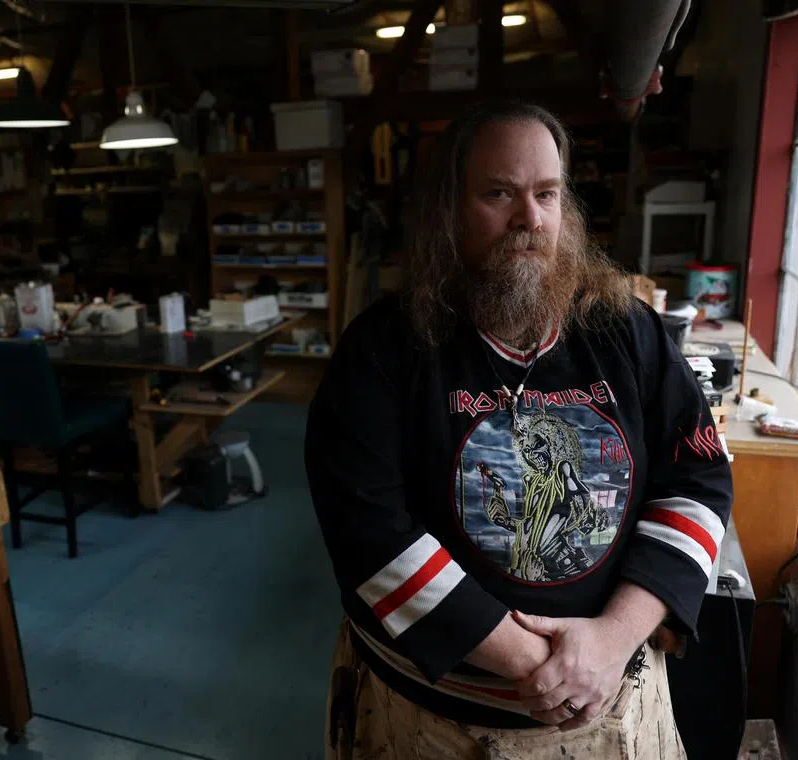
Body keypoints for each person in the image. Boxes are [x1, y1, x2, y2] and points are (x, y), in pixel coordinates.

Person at [305, 100, 733, 759]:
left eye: (546, 194)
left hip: (610, 707)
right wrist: (542, 665)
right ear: (449, 210)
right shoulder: (382, 351)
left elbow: (699, 480)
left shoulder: (628, 331)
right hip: (429, 726)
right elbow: (369, 533)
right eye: (498, 193)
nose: (529, 219)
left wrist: (611, 642)